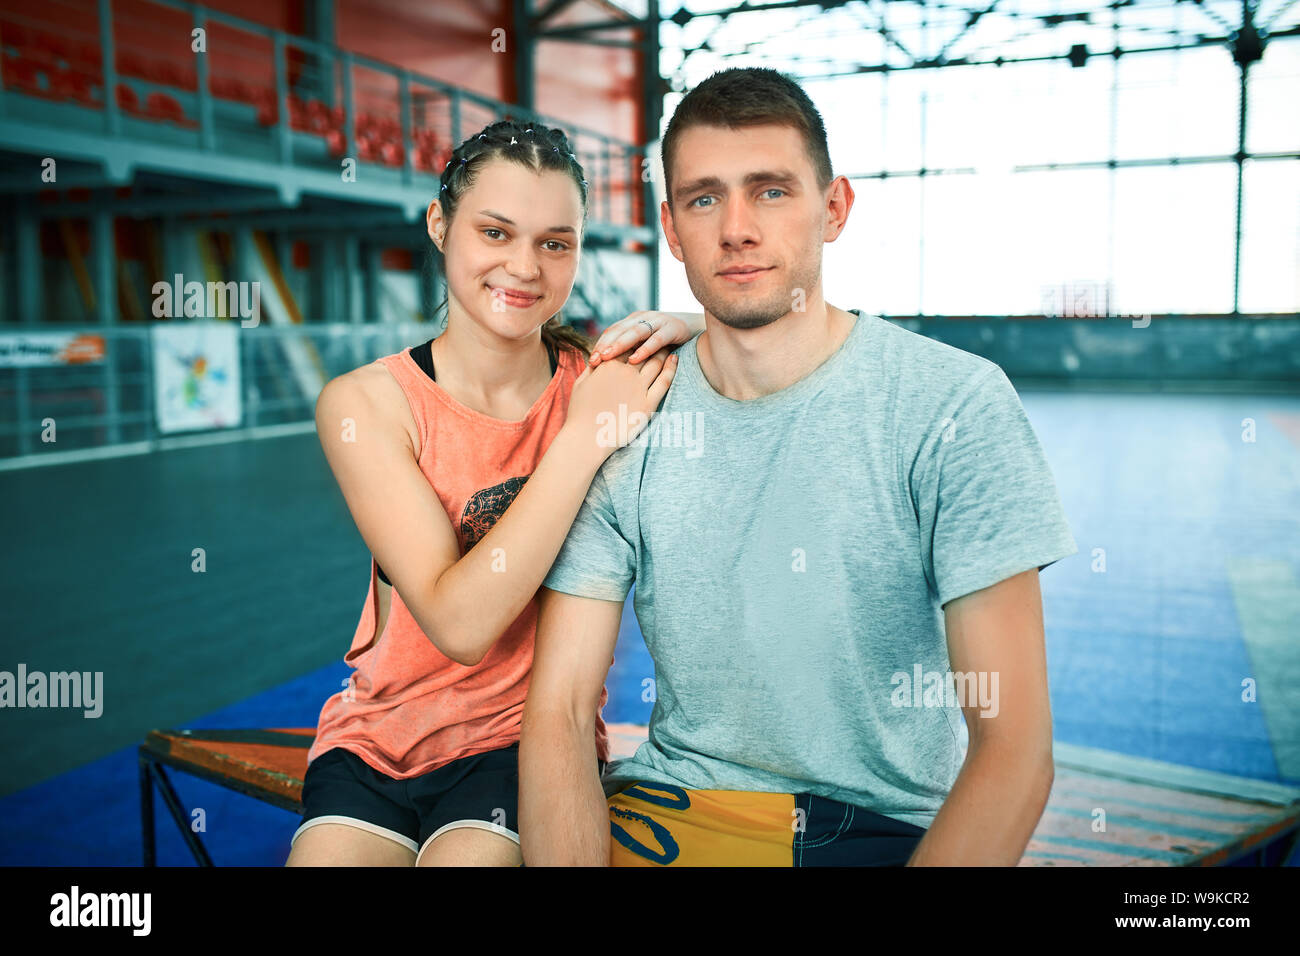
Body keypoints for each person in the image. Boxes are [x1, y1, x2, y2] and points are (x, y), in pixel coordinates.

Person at [519, 67, 1079, 866]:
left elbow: (1014, 749)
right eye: (705, 198)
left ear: (834, 209)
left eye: (772, 191)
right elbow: (561, 716)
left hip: (873, 826)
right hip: (675, 806)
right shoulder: (626, 416)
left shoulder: (951, 405)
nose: (737, 229)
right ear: (672, 229)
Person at [285, 119, 704, 867]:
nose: (524, 267)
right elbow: (458, 622)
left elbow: (770, 336)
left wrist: (686, 320)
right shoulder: (366, 406)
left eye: (555, 243)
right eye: (496, 232)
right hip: (377, 737)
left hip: (518, 740)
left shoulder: (598, 379)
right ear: (440, 225)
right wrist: (583, 441)